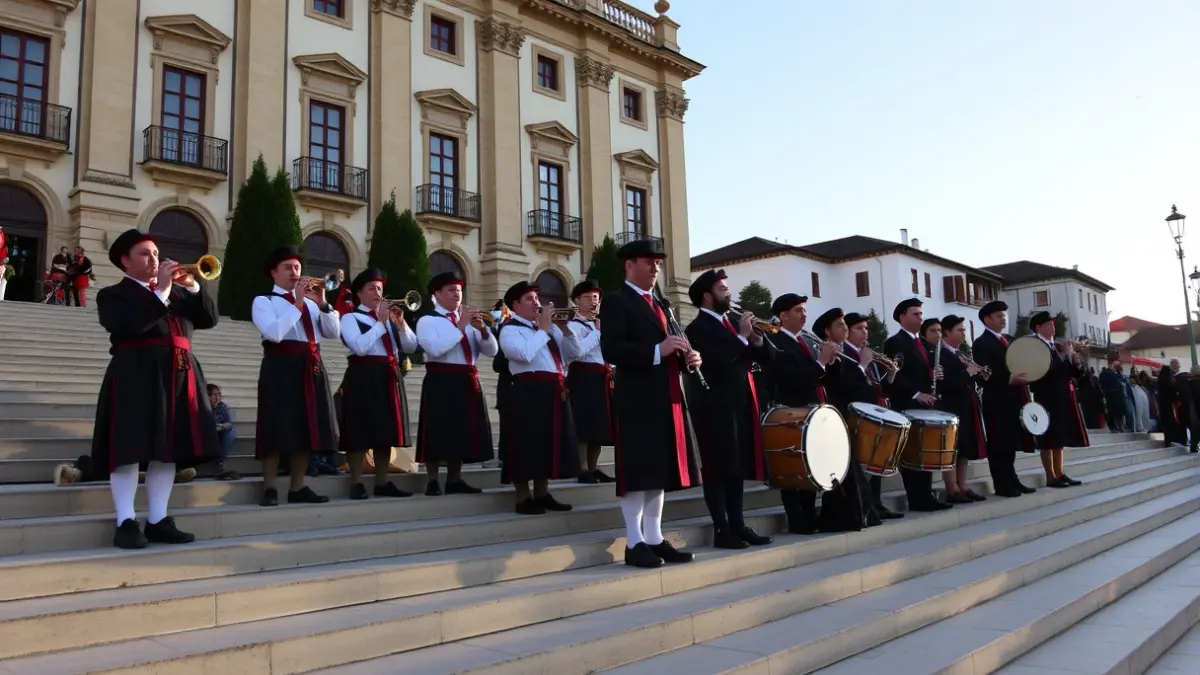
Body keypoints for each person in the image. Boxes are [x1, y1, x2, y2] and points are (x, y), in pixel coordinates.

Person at [90, 229, 221, 549]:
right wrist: (161, 290)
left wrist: (193, 285)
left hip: (178, 374)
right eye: (145, 253)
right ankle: (125, 520)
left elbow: (210, 318)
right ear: (125, 260)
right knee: (129, 448)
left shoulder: (178, 293)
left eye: (156, 253)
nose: (155, 259)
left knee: (169, 449)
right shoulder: (112, 295)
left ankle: (159, 519)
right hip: (135, 373)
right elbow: (129, 326)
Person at [600, 238, 701, 568]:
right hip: (638, 399)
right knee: (638, 472)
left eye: (658, 263)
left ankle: (655, 538)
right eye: (649, 263)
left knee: (657, 473)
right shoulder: (617, 302)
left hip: (667, 396)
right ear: (629, 266)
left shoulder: (663, 304)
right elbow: (612, 349)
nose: (656, 268)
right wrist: (658, 351)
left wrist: (689, 357)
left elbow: (673, 344)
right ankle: (634, 541)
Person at [684, 269, 774, 549]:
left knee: (736, 468)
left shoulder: (730, 324)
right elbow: (716, 361)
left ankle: (737, 524)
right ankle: (721, 529)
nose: (729, 293)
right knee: (717, 469)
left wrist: (757, 339)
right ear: (707, 296)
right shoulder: (697, 328)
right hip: (713, 408)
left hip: (740, 404)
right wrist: (743, 337)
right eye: (722, 289)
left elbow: (767, 358)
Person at [251, 245, 339, 507]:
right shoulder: (264, 301)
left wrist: (322, 303)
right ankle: (269, 488)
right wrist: (299, 303)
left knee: (305, 426)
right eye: (288, 267)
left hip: (310, 365)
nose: (295, 272)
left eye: (298, 267)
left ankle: (298, 487)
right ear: (274, 272)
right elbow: (274, 333)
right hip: (280, 365)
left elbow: (332, 332)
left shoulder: (313, 304)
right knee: (275, 424)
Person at [497, 281, 579, 514]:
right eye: (529, 299)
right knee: (525, 445)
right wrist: (543, 330)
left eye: (536, 298)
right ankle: (523, 498)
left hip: (554, 391)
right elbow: (522, 354)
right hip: (527, 392)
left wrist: (564, 330)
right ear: (515, 305)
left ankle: (542, 493)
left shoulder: (549, 329)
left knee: (548, 444)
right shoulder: (510, 329)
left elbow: (574, 354)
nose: (536, 303)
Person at [339, 267, 417, 500]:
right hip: (363, 375)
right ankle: (356, 483)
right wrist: (381, 323)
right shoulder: (350, 317)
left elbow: (412, 347)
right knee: (359, 432)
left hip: (388, 376)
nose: (378, 292)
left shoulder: (388, 319)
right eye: (372, 288)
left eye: (380, 288)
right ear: (359, 294)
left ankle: (382, 481)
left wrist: (401, 324)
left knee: (385, 432)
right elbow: (359, 347)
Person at [763, 293, 838, 533]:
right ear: (783, 316)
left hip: (808, 410)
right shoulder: (776, 340)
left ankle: (809, 514)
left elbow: (816, 378)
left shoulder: (803, 340)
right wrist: (821, 363)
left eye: (805, 310)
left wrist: (829, 363)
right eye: (798, 311)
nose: (804, 315)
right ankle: (796, 518)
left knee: (809, 465)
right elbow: (791, 378)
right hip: (790, 411)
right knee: (793, 467)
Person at [415, 272, 495, 495]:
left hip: (466, 380)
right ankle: (432, 479)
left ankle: (455, 478)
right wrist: (460, 326)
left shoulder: (468, 322)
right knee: (436, 430)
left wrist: (483, 330)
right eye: (451, 290)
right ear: (437, 294)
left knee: (461, 430)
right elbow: (436, 349)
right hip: (441, 379)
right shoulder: (427, 320)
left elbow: (492, 351)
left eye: (459, 290)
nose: (457, 294)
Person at [882, 299, 951, 512]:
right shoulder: (895, 342)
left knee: (925, 451)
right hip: (907, 404)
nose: (920, 318)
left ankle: (926, 495)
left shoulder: (921, 343)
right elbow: (895, 374)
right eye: (915, 314)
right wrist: (916, 393)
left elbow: (923, 370)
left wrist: (935, 373)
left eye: (921, 314)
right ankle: (917, 498)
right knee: (912, 453)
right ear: (902, 317)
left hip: (925, 404)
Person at [808, 306, 873, 531]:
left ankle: (862, 514)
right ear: (827, 331)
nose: (845, 327)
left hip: (849, 415)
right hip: (834, 413)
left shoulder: (845, 350)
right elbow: (842, 384)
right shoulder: (828, 351)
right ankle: (841, 517)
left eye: (845, 323)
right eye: (839, 325)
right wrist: (863, 366)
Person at [838, 311, 903, 520]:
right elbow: (847, 384)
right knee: (861, 462)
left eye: (866, 328)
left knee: (876, 460)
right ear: (847, 331)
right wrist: (863, 365)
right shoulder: (843, 353)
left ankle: (876, 503)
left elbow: (877, 387)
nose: (864, 332)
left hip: (874, 412)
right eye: (859, 328)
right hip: (854, 415)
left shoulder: (866, 354)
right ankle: (865, 506)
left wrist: (891, 375)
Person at [973, 300, 1037, 497]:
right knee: (999, 443)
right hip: (997, 399)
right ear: (987, 319)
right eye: (999, 316)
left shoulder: (1009, 339)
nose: (1003, 319)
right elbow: (983, 374)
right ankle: (1001, 484)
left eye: (1004, 315)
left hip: (1015, 398)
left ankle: (1012, 479)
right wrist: (1009, 379)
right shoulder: (981, 343)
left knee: (1011, 443)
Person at [1027, 311, 1089, 487]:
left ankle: (1060, 472)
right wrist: (1065, 357)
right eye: (1049, 324)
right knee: (1048, 437)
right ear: (1039, 327)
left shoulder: (1055, 346)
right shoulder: (1035, 345)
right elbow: (1047, 370)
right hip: (1046, 395)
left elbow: (1076, 373)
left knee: (1059, 435)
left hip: (1062, 394)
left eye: (1053, 324)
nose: (1053, 327)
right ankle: (1050, 475)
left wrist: (1074, 359)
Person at [563, 279, 615, 484]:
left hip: (601, 377)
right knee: (583, 425)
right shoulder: (572, 326)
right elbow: (577, 352)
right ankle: (581, 468)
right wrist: (597, 332)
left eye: (596, 298)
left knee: (599, 426)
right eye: (588, 298)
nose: (594, 302)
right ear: (576, 300)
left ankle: (594, 468)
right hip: (582, 376)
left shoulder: (601, 324)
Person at [936, 315, 988, 503]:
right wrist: (968, 372)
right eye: (959, 330)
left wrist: (977, 373)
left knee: (965, 447)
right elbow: (947, 383)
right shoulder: (940, 354)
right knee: (953, 448)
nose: (963, 333)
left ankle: (963, 485)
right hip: (952, 405)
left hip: (966, 404)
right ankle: (952, 488)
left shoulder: (959, 354)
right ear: (947, 332)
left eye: (964, 329)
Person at [207, 384, 241, 480]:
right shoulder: (202, 407)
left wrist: (217, 427)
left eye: (219, 394)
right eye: (213, 395)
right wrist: (219, 426)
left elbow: (228, 424)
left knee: (230, 431)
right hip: (206, 436)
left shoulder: (223, 407)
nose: (217, 397)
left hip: (219, 434)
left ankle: (219, 462)